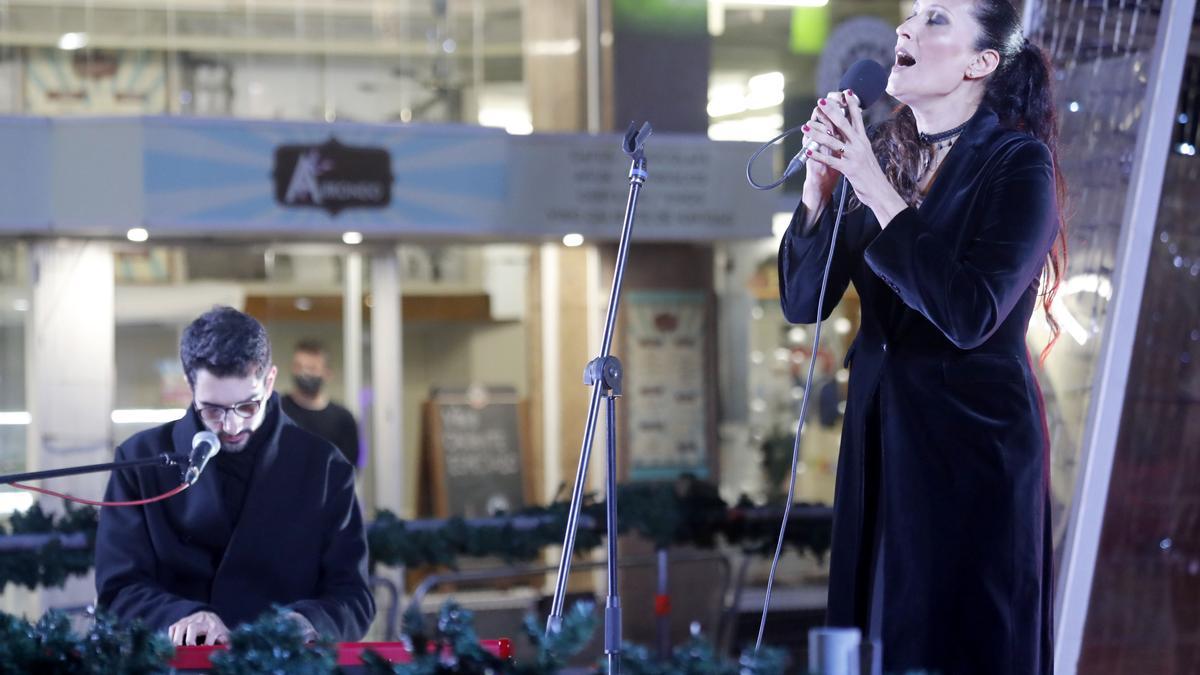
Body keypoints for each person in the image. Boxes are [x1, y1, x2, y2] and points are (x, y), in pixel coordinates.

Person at [778, 0, 1066, 672]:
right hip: (881, 443)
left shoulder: (1018, 166)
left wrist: (874, 187)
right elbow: (802, 300)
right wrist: (819, 193)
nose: (906, 28)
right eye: (910, 14)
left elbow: (969, 311)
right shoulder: (887, 157)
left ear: (981, 63)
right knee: (873, 634)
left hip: (970, 455)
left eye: (936, 18)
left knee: (955, 639)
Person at [95, 307, 375, 646]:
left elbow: (353, 595)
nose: (231, 426)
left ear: (270, 381)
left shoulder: (326, 468)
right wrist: (179, 615)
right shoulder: (140, 462)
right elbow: (119, 588)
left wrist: (310, 621)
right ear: (189, 385)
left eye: (247, 406)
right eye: (212, 409)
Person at [281, 339, 361, 468]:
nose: (304, 373)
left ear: (327, 373)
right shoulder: (276, 410)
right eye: (299, 366)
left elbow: (349, 468)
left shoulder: (343, 419)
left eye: (312, 368)